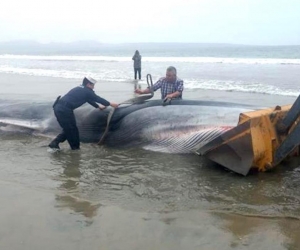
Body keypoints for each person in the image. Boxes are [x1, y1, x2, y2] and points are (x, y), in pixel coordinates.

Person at [48, 77, 119, 150]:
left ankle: (56, 143)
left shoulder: (80, 89)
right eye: (93, 85)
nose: (93, 87)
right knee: (72, 130)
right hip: (64, 110)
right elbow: (97, 98)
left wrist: (97, 106)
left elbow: (88, 99)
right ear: (88, 84)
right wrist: (110, 103)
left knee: (69, 128)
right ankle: (74, 149)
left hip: (60, 108)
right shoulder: (87, 91)